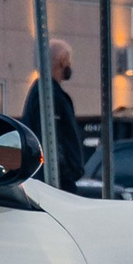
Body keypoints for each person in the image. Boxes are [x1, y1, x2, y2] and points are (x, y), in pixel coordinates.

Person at [22, 35, 87, 184]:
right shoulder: (50, 96)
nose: (70, 65)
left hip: (50, 178)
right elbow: (55, 140)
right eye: (69, 60)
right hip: (57, 183)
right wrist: (66, 176)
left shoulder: (41, 93)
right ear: (63, 60)